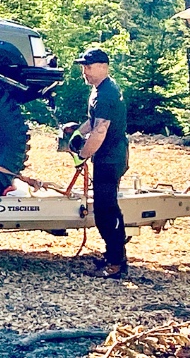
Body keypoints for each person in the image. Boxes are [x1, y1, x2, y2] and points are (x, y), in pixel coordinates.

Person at [74, 48, 129, 279]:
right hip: (108, 156)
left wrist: (82, 155)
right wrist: (78, 132)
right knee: (104, 209)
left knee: (107, 211)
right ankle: (113, 255)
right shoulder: (101, 89)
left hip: (110, 158)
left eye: (88, 67)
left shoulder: (105, 94)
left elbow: (100, 131)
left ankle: (116, 263)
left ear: (103, 67)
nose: (84, 71)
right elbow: (92, 122)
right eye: (83, 67)